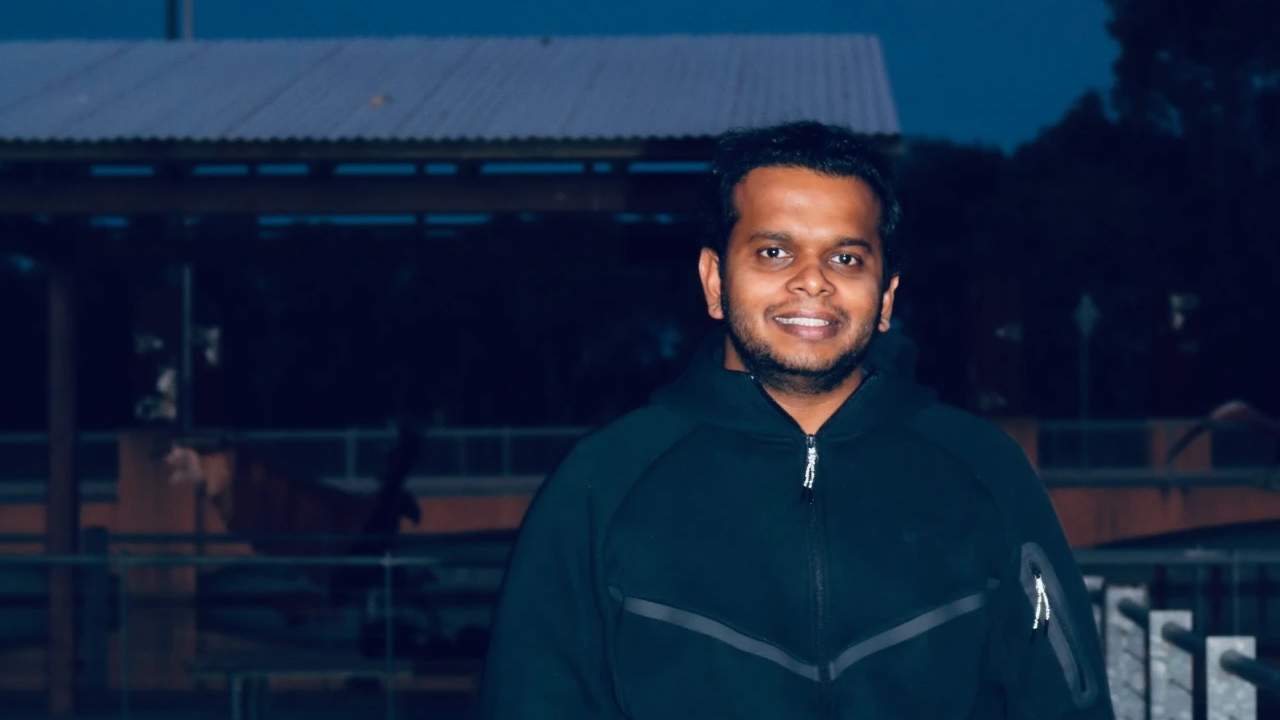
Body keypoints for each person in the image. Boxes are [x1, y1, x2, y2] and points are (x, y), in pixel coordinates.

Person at [480, 122, 1112, 719]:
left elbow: (1063, 701)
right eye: (775, 252)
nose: (813, 282)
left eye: (846, 259)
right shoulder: (602, 483)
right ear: (714, 281)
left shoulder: (984, 470)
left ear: (886, 297)